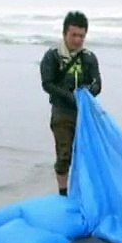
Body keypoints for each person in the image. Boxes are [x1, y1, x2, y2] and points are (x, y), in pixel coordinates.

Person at [40, 11, 102, 196]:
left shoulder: (89, 57)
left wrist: (88, 93)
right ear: (64, 33)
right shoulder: (53, 56)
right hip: (62, 112)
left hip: (85, 115)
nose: (77, 40)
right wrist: (68, 96)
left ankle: (84, 190)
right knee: (64, 154)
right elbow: (47, 83)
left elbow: (98, 83)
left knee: (85, 154)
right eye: (73, 35)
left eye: (81, 36)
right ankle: (63, 192)